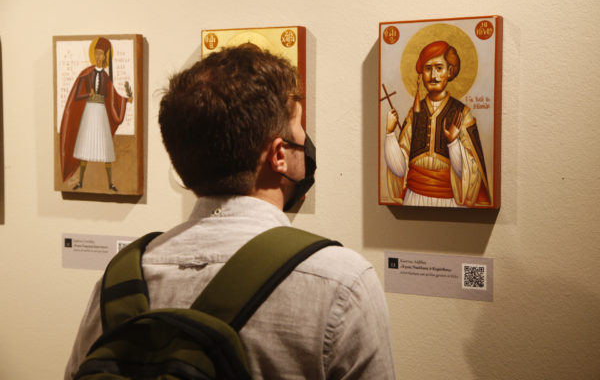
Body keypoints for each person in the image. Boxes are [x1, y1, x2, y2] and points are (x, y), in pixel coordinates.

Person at [65, 45, 396, 379]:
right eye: (299, 129)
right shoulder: (342, 282)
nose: (305, 141)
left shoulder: (118, 281)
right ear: (279, 155)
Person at [384, 40, 491, 207]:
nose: (433, 76)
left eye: (439, 68)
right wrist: (390, 133)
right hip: (413, 198)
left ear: (450, 71)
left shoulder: (462, 114)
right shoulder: (414, 114)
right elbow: (399, 169)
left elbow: (469, 173)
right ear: (422, 74)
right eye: (428, 69)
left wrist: (453, 142)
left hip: (450, 201)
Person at [59, 37, 132, 192]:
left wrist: (126, 99)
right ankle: (81, 182)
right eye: (96, 53)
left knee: (105, 147)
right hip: (89, 112)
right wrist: (88, 94)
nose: (98, 57)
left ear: (105, 56)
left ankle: (110, 183)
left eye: (101, 54)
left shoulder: (106, 77)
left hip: (100, 113)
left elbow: (113, 95)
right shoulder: (86, 74)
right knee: (85, 147)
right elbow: (77, 94)